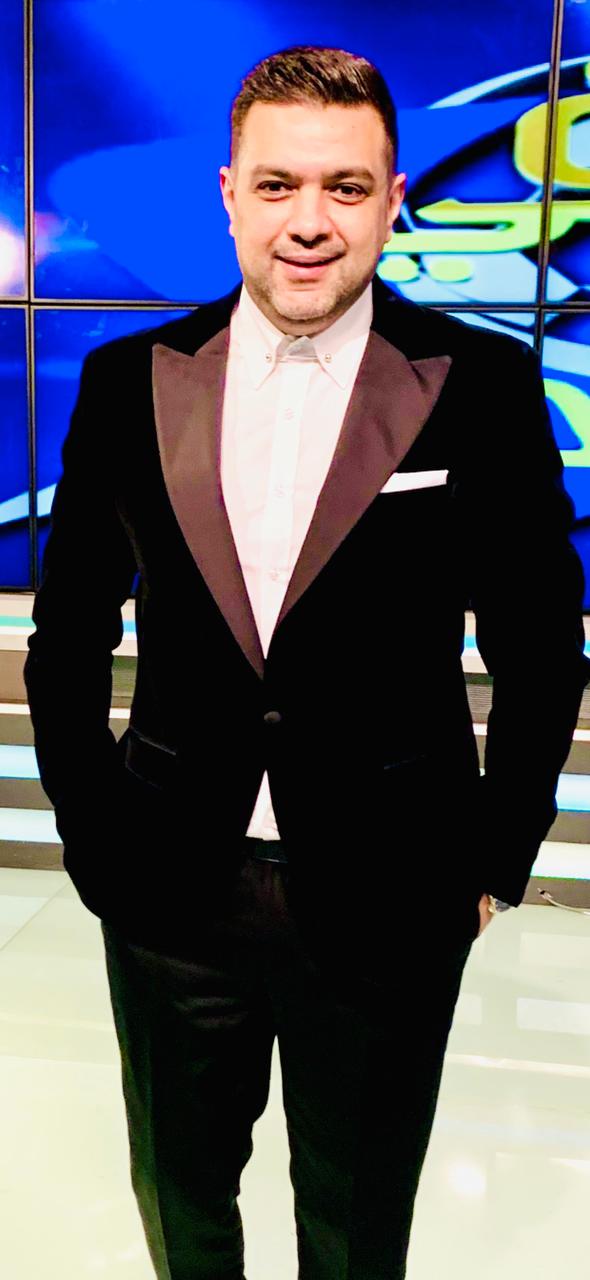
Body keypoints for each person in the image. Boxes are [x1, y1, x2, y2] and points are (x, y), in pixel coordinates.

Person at [23, 43, 590, 1280]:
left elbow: (540, 646)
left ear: (392, 201)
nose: (309, 221)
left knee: (355, 1220)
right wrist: (94, 832)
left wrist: (489, 862)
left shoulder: (480, 385)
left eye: (345, 186)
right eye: (278, 185)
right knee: (181, 1198)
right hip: (168, 879)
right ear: (229, 194)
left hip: (395, 887)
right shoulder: (127, 381)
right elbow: (66, 635)